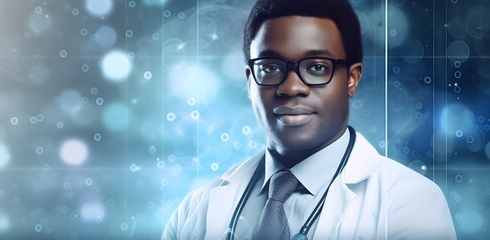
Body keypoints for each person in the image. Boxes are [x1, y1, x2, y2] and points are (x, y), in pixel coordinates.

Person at [162, 0, 456, 239]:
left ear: (352, 79)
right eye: (270, 67)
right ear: (250, 80)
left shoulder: (410, 203)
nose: (291, 87)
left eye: (317, 67)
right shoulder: (195, 212)